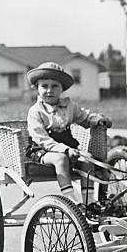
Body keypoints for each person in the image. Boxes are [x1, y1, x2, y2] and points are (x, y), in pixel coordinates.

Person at [26, 61, 112, 204]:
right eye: (44, 86)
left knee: (87, 158)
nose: (49, 90)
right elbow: (41, 139)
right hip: (42, 151)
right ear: (36, 88)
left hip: (69, 148)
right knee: (61, 159)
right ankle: (70, 198)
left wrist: (97, 120)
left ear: (62, 89)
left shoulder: (69, 106)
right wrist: (65, 150)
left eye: (55, 86)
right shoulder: (35, 112)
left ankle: (89, 201)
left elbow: (84, 117)